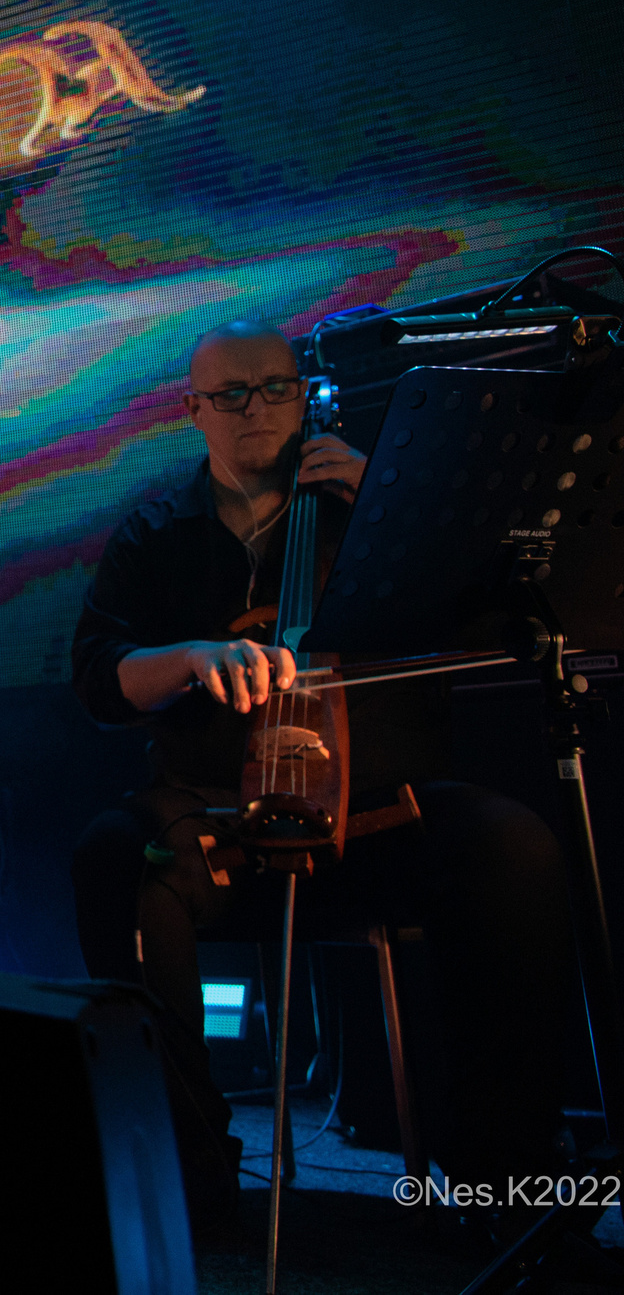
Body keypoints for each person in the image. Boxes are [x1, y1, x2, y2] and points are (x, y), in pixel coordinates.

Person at [70, 319, 568, 1235]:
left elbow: (488, 602)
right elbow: (102, 675)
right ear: (194, 411)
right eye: (230, 394)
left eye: (275, 388)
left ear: (305, 396)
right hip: (221, 832)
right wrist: (189, 655)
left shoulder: (371, 505)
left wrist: (394, 500)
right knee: (116, 855)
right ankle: (190, 1166)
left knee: (513, 846)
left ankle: (509, 1175)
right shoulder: (152, 534)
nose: (256, 408)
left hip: (378, 820)